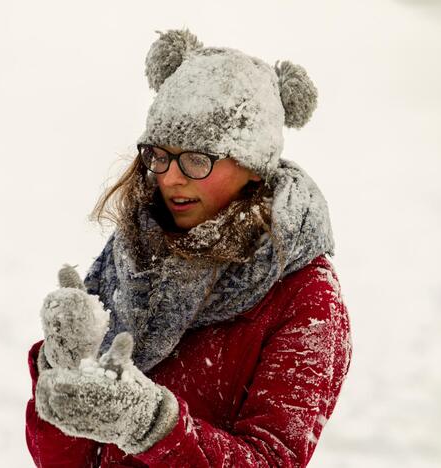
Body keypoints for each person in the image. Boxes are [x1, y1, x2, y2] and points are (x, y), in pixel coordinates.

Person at [25, 28, 352, 467]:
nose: (170, 178)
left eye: (197, 159)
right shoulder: (132, 254)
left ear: (253, 168)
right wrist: (62, 369)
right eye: (159, 155)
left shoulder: (306, 299)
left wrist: (152, 425)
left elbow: (272, 460)